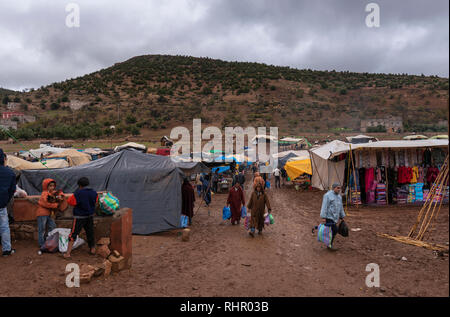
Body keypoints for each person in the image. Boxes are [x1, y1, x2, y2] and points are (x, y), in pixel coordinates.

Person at [64, 177, 98, 258]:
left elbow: (70, 202)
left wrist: (76, 193)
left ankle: (68, 253)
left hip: (79, 217)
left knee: (73, 233)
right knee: (90, 232)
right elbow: (96, 201)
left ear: (79, 185)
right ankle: (92, 249)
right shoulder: (94, 192)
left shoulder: (78, 193)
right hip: (90, 216)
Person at [36, 178, 62, 250]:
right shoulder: (45, 193)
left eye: (53, 186)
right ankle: (41, 244)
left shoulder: (50, 193)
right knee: (42, 229)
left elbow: (59, 193)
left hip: (48, 213)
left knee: (52, 227)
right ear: (46, 186)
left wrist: (60, 195)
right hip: (42, 214)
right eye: (50, 186)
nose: (52, 187)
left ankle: (49, 242)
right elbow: (45, 203)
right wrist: (55, 205)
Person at [320, 183, 346, 250]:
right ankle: (329, 245)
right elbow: (324, 206)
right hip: (329, 216)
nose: (339, 189)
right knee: (334, 230)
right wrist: (323, 217)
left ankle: (329, 244)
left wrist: (342, 215)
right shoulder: (327, 195)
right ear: (333, 188)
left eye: (340, 188)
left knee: (332, 231)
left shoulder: (339, 197)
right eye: (337, 188)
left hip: (335, 217)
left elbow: (341, 207)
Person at [0, 149, 16, 256]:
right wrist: (5, 200)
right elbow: (12, 190)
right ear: (4, 159)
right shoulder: (10, 173)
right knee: (4, 227)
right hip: (1, 204)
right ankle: (6, 250)